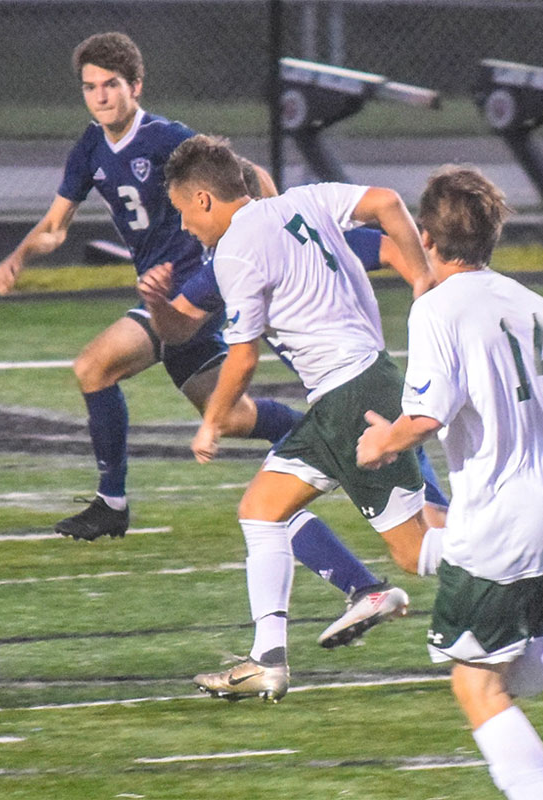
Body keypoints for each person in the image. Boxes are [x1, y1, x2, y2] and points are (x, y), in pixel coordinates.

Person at [158, 133, 434, 702]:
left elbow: (242, 357)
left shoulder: (234, 251)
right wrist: (423, 278)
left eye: (183, 211)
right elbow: (386, 202)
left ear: (204, 199)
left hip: (351, 397)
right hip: (351, 389)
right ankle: (267, 660)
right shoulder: (304, 200)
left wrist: (211, 421)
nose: (185, 226)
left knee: (416, 553)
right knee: (261, 509)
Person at [0, 32, 300, 540]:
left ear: (135, 85)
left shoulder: (164, 137)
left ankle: (111, 503)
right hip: (162, 292)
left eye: (111, 84)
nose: (100, 96)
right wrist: (19, 256)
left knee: (94, 366)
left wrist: (278, 226)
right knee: (229, 417)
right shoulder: (90, 147)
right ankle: (308, 433)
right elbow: (55, 227)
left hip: (194, 284)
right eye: (90, 87)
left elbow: (248, 174)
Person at [356, 166, 543, 799]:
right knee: (498, 675)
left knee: (477, 686)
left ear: (426, 238)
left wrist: (380, 442)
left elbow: (427, 416)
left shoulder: (438, 309)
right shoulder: (533, 304)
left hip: (500, 527)